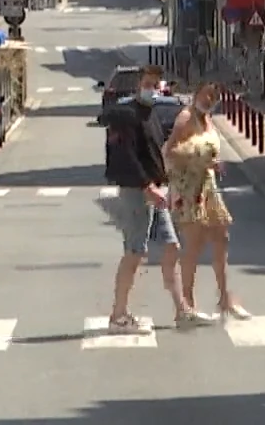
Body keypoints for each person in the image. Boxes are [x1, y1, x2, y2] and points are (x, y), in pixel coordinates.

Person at [103, 65, 195, 332]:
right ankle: (118, 316)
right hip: (137, 192)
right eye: (147, 84)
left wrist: (169, 184)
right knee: (135, 251)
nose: (152, 89)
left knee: (171, 247)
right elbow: (126, 156)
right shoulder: (127, 115)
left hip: (156, 191)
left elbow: (157, 152)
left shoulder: (151, 115)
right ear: (137, 85)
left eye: (156, 85)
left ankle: (182, 311)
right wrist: (147, 187)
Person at [166, 81, 249, 322]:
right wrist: (199, 158)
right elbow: (169, 151)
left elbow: (208, 149)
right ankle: (187, 305)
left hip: (207, 185)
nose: (210, 99)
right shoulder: (185, 118)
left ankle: (225, 298)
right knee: (193, 244)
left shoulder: (207, 119)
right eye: (207, 94)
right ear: (197, 93)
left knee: (222, 236)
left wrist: (213, 163)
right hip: (188, 188)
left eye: (215, 96)